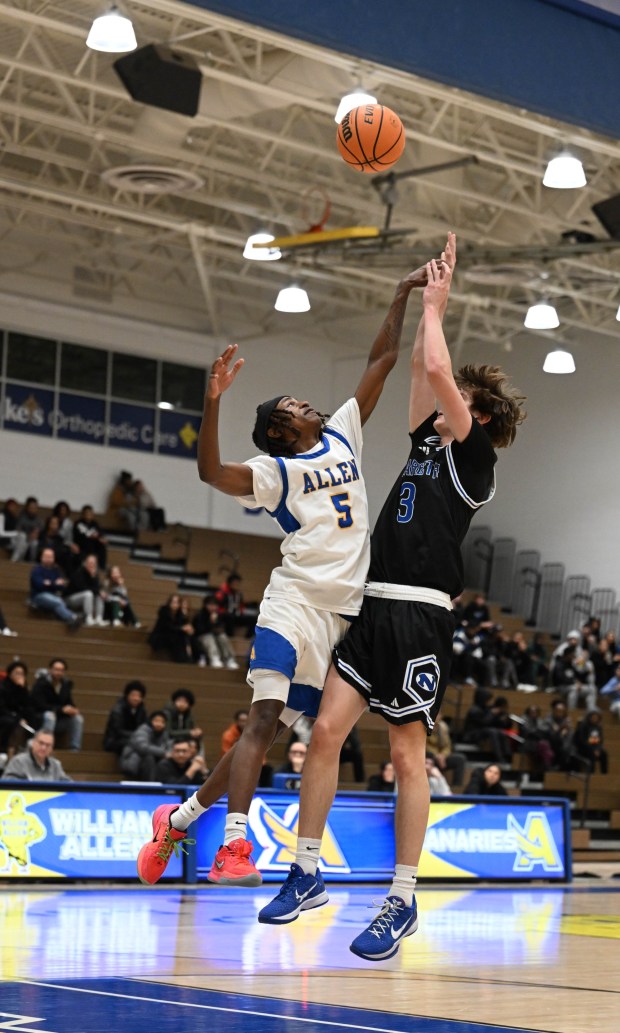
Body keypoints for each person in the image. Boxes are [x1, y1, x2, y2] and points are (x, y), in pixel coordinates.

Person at [258, 233, 526, 960]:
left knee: (408, 757)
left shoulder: (474, 457)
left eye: (455, 399)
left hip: (419, 616)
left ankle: (401, 898)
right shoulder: (426, 444)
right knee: (323, 735)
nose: (440, 397)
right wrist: (417, 297)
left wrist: (440, 306)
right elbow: (422, 365)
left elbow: (438, 365)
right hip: (373, 605)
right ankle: (306, 868)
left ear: (475, 415)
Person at [137, 256, 429, 888]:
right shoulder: (273, 472)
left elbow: (380, 360)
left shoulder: (344, 433)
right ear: (280, 430)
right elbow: (211, 474)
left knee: (262, 736)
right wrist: (211, 404)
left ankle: (179, 821)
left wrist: (402, 290)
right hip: (293, 602)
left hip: (339, 616)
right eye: (295, 404)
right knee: (262, 722)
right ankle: (235, 847)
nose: (308, 402)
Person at [30, 658, 84, 751]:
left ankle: (75, 749)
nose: (58, 673)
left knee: (78, 719)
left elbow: (69, 702)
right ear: (50, 670)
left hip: (59, 719)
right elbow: (40, 705)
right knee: (50, 715)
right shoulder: (41, 684)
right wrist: (61, 710)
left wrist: (73, 709)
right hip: (41, 719)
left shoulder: (65, 685)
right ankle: (46, 745)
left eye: (61, 670)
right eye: (56, 669)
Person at [29, 547, 81, 627]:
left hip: (53, 595)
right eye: (47, 556)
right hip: (38, 596)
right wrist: (54, 584)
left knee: (58, 601)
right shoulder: (37, 570)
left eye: (51, 557)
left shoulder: (56, 570)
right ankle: (72, 616)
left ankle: (70, 618)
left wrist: (50, 584)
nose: (49, 559)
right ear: (42, 557)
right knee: (58, 602)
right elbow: (39, 585)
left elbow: (61, 586)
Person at [1, 729, 71, 782]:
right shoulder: (18, 762)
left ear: (51, 749)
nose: (44, 748)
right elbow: (7, 784)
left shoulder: (55, 765)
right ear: (33, 743)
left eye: (48, 745)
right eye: (41, 743)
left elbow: (69, 785)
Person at [120, 711, 172, 781]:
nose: (159, 724)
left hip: (153, 762)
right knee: (149, 757)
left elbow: (169, 748)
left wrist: (169, 753)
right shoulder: (142, 730)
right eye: (156, 721)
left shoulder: (165, 734)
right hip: (134, 761)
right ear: (150, 721)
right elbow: (143, 747)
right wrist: (164, 753)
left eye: (162, 722)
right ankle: (150, 786)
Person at [192, 595, 238, 669]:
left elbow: (221, 628)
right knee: (208, 637)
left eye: (215, 605)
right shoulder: (199, 615)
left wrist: (217, 627)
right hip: (202, 638)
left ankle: (229, 659)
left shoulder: (218, 615)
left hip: (215, 636)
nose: (213, 607)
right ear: (205, 605)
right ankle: (214, 658)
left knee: (222, 636)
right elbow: (199, 631)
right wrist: (210, 622)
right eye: (210, 605)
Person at [103, 681, 148, 755]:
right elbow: (118, 731)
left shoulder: (142, 710)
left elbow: (145, 727)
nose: (136, 698)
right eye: (133, 695)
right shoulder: (118, 710)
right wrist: (136, 736)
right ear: (127, 695)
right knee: (137, 747)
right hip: (115, 741)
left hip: (135, 740)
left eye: (139, 696)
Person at [0, 661, 35, 754]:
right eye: (17, 673)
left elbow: (27, 706)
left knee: (34, 719)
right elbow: (2, 708)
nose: (19, 676)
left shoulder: (23, 688)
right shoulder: (3, 686)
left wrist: (22, 689)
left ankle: (28, 749)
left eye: (22, 674)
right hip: (5, 715)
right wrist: (18, 718)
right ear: (10, 673)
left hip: (17, 716)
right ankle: (3, 749)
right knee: (9, 722)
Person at [148, 594, 194, 663]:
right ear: (169, 603)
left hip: (172, 637)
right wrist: (181, 628)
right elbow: (167, 628)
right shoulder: (164, 612)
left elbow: (182, 628)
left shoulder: (179, 615)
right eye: (173, 602)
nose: (175, 604)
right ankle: (183, 660)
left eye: (177, 602)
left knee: (182, 639)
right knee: (177, 639)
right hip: (160, 637)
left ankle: (188, 660)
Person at [65, 554, 108, 626]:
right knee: (89, 593)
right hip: (70, 598)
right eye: (90, 563)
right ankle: (88, 617)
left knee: (99, 595)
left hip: (84, 598)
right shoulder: (79, 572)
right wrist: (98, 591)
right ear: (85, 563)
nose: (92, 565)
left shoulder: (94, 574)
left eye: (94, 563)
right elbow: (82, 587)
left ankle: (99, 618)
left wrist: (93, 577)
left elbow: (97, 589)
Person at [573, 709, 608, 774]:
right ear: (589, 717)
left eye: (596, 717)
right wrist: (593, 749)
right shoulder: (583, 726)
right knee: (591, 754)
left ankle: (604, 774)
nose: (595, 719)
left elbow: (600, 741)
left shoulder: (598, 727)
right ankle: (591, 774)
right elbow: (582, 740)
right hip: (584, 749)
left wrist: (598, 749)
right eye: (593, 717)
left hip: (595, 748)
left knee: (604, 754)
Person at [10, 496, 43, 562]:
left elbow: (41, 529)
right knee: (23, 539)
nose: (33, 510)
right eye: (31, 508)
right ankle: (14, 561)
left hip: (31, 540)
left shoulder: (38, 520)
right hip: (19, 539)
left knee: (35, 543)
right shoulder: (21, 517)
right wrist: (27, 535)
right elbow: (18, 530)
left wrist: (37, 532)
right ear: (27, 508)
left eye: (35, 508)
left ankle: (32, 562)